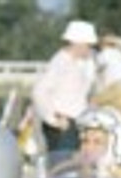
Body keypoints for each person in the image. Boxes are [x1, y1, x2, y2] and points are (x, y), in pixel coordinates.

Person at [32, 19, 98, 153]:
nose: (89, 49)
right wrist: (52, 119)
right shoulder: (61, 62)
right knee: (62, 165)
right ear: (77, 43)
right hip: (63, 123)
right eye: (88, 45)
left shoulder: (82, 63)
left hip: (76, 122)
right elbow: (39, 92)